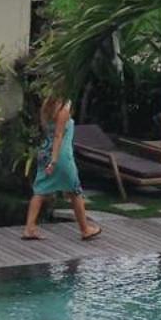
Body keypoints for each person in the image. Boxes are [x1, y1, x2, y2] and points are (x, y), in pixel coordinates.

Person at [22, 94, 101, 241]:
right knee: (75, 191)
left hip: (45, 150)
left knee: (40, 190)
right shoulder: (63, 109)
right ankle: (85, 229)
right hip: (60, 155)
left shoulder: (46, 109)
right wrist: (54, 160)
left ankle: (29, 228)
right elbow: (59, 135)